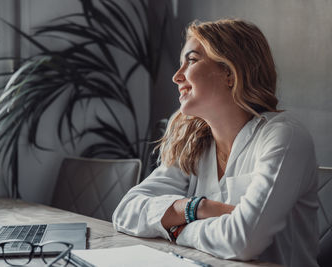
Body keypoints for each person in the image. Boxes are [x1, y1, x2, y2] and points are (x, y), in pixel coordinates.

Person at [112, 19, 319, 267]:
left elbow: (242, 240)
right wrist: (197, 208)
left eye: (191, 60)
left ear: (230, 73)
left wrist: (177, 229)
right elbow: (125, 213)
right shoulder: (193, 141)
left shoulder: (285, 137)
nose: (177, 77)